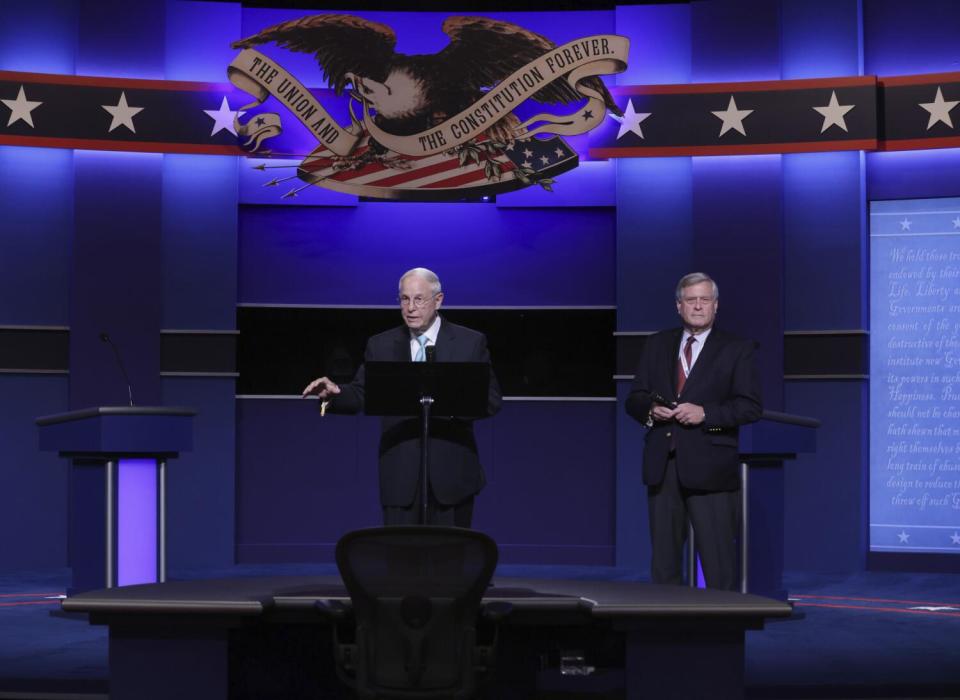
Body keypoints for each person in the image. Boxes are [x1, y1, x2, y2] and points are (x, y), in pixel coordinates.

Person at [302, 267, 501, 527]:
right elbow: (363, 392)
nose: (410, 307)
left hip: (452, 477)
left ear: (438, 300)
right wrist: (335, 395)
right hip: (400, 476)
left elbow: (491, 400)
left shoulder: (469, 342)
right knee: (401, 562)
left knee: (450, 564)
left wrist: (448, 402)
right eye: (404, 299)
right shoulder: (381, 345)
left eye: (419, 299)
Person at [625, 272, 762, 590]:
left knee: (718, 566)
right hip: (663, 467)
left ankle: (719, 631)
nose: (697, 306)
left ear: (715, 305)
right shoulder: (657, 343)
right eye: (691, 300)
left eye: (704, 300)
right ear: (678, 306)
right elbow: (634, 398)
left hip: (711, 467)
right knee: (664, 565)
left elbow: (749, 407)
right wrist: (650, 412)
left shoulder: (737, 349)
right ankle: (666, 632)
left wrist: (706, 415)